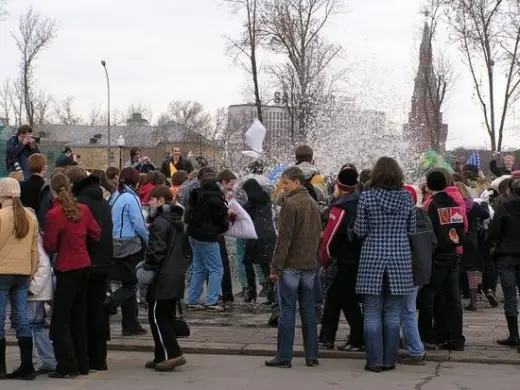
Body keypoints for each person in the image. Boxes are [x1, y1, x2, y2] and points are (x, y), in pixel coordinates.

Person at [354, 157, 416, 373]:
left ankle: (374, 361)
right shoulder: (407, 197)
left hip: (372, 256)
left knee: (371, 311)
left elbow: (360, 230)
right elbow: (412, 230)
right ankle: (390, 360)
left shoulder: (367, 197)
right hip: (400, 257)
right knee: (393, 312)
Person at [43, 173, 101, 378]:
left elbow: (49, 245)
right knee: (78, 317)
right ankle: (82, 363)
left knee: (60, 321)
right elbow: (96, 233)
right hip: (84, 264)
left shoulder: (54, 214)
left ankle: (67, 364)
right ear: (69, 188)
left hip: (67, 267)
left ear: (52, 191)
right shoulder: (82, 210)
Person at [265, 167, 322, 369]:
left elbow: (284, 241)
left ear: (297, 182)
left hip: (290, 266)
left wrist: (275, 268)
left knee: (287, 311)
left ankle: (284, 356)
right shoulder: (314, 204)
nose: (284, 187)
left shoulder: (290, 205)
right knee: (308, 311)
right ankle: (311, 355)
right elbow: (317, 237)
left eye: (286, 183)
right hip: (309, 265)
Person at [68, 167, 114, 371]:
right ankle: (100, 358)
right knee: (99, 310)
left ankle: (85, 357)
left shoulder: (82, 204)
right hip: (104, 262)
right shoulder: (104, 203)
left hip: (86, 262)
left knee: (83, 311)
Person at [140, 185, 188, 371]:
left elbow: (156, 252)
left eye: (152, 199)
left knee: (157, 316)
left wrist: (147, 268)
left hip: (163, 276)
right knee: (165, 316)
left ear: (160, 200)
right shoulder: (177, 220)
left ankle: (172, 354)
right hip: (175, 273)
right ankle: (161, 355)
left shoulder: (160, 222)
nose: (149, 202)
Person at [418, 168, 467, 352]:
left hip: (437, 256)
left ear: (429, 185)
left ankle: (426, 335)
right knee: (453, 298)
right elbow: (461, 227)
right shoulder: (454, 202)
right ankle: (456, 338)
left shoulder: (431, 205)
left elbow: (428, 233)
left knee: (427, 295)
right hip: (453, 253)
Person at [318, 167, 364, 352]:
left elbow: (330, 238)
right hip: (359, 256)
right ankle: (326, 336)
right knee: (334, 295)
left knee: (347, 298)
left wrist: (325, 260)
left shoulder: (341, 206)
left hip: (345, 258)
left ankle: (357, 338)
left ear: (338, 184)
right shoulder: (362, 200)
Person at [0, 177, 39, 380]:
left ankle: (1, 368)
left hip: (2, 273)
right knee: (21, 318)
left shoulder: (1, 216)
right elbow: (35, 251)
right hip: (23, 273)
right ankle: (27, 367)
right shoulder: (30, 217)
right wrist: (30, 272)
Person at [107, 167, 149, 336]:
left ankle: (131, 323)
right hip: (130, 245)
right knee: (132, 283)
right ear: (136, 181)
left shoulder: (115, 195)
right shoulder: (131, 198)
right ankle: (110, 304)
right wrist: (149, 241)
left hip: (114, 242)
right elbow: (139, 223)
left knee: (127, 281)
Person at [399, 185, 437, 365]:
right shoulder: (424, 216)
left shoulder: (404, 218)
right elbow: (434, 243)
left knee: (406, 310)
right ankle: (406, 341)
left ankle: (415, 349)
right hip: (423, 269)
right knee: (407, 308)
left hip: (409, 269)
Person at [185, 177, 230, 312]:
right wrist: (227, 223)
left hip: (193, 235)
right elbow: (221, 221)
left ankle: (192, 300)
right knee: (216, 269)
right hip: (208, 237)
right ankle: (212, 301)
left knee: (198, 268)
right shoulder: (216, 201)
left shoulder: (197, 196)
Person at [488, 179, 520, 347]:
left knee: (510, 296)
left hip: (507, 254)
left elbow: (494, 232)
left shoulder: (503, 207)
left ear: (512, 191)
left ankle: (514, 335)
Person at [456, 182, 490, 311]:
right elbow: (486, 215)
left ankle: (455, 300)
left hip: (458, 239)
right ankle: (473, 301)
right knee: (472, 271)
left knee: (457, 270)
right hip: (472, 240)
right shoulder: (473, 205)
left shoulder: (454, 206)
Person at [242, 178, 277, 304]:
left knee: (247, 262)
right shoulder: (265, 198)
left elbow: (244, 215)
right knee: (266, 265)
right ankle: (271, 294)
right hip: (269, 235)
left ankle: (252, 292)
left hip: (256, 236)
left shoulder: (250, 203)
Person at [27, 233, 56, 375]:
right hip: (37, 292)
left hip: (35, 293)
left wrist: (32, 288)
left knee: (33, 326)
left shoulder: (35, 240)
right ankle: (47, 360)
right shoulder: (36, 238)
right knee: (36, 327)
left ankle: (41, 360)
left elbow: (43, 266)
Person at [216, 169, 238, 304]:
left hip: (210, 233)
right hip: (216, 234)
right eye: (231, 184)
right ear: (224, 182)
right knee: (220, 265)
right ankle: (224, 295)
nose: (233, 188)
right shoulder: (217, 194)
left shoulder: (214, 192)